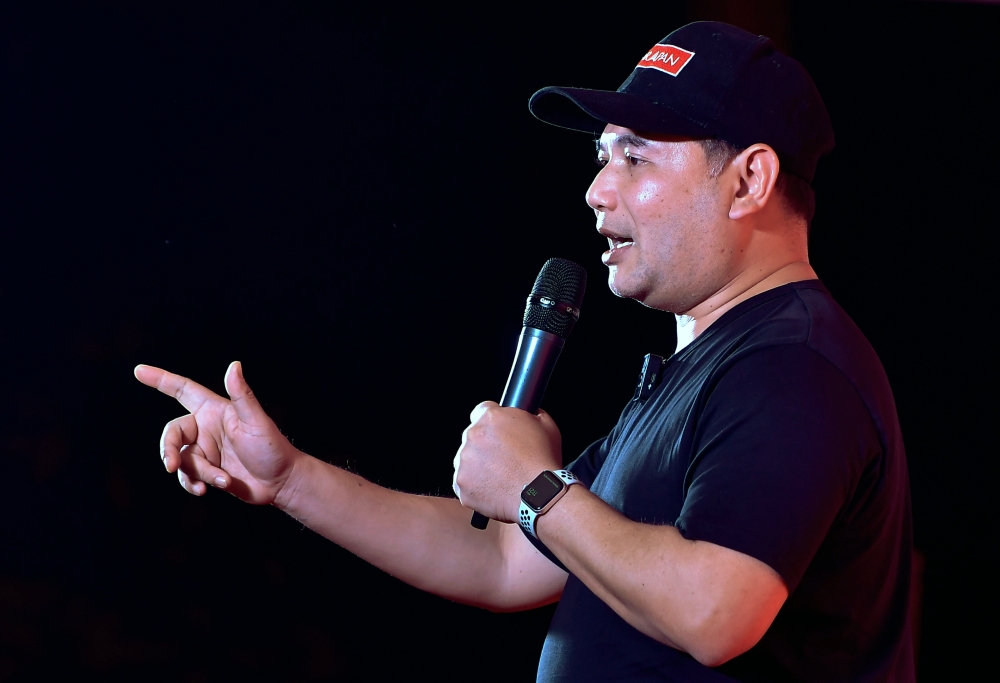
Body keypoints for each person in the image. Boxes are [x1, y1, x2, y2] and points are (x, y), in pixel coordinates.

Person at [134, 22, 914, 682]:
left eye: (635, 157)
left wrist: (537, 490)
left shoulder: (794, 367)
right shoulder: (712, 366)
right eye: (603, 157)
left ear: (748, 181)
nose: (597, 190)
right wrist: (291, 479)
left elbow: (717, 610)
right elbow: (506, 558)